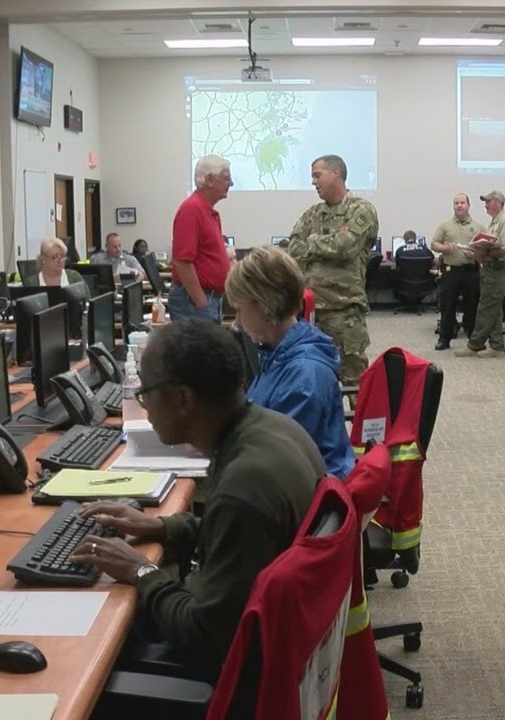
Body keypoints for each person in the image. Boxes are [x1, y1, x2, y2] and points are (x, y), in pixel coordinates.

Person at [67, 320, 324, 668]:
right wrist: (161, 527)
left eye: (146, 393)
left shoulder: (244, 487)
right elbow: (241, 539)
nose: (145, 406)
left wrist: (140, 571)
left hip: (232, 669)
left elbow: (205, 633)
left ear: (183, 398)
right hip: (282, 639)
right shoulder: (274, 428)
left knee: (91, 645)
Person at [224, 246, 355, 480]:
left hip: (301, 490)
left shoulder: (303, 376)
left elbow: (275, 461)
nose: (238, 322)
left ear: (263, 306)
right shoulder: (278, 353)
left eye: (240, 310)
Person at [288, 154, 379, 385]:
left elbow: (346, 246)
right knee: (316, 380)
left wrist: (312, 242)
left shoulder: (361, 209)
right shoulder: (313, 213)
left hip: (344, 311)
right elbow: (294, 248)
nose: (313, 182)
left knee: (354, 382)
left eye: (317, 175)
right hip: (311, 312)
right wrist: (326, 244)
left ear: (335, 173)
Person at [168, 155, 233, 323]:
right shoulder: (192, 209)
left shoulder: (208, 211)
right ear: (209, 180)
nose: (231, 183)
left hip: (208, 300)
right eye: (226, 178)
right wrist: (201, 303)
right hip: (195, 303)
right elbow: (182, 261)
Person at [454, 190, 505, 358]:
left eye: (488, 202)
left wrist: (486, 252)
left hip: (497, 269)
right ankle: (497, 346)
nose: (485, 205)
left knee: (485, 308)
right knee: (494, 309)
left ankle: (475, 344)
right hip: (489, 268)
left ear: (497, 203)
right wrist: (477, 253)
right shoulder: (494, 222)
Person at [430, 193, 484, 351]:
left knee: (472, 307)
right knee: (448, 307)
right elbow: (434, 244)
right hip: (451, 271)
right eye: (456, 203)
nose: (459, 205)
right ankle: (444, 339)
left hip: (470, 271)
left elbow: (485, 251)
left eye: (462, 202)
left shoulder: (478, 227)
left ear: (468, 205)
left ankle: (474, 340)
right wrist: (446, 248)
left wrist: (475, 255)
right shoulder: (445, 226)